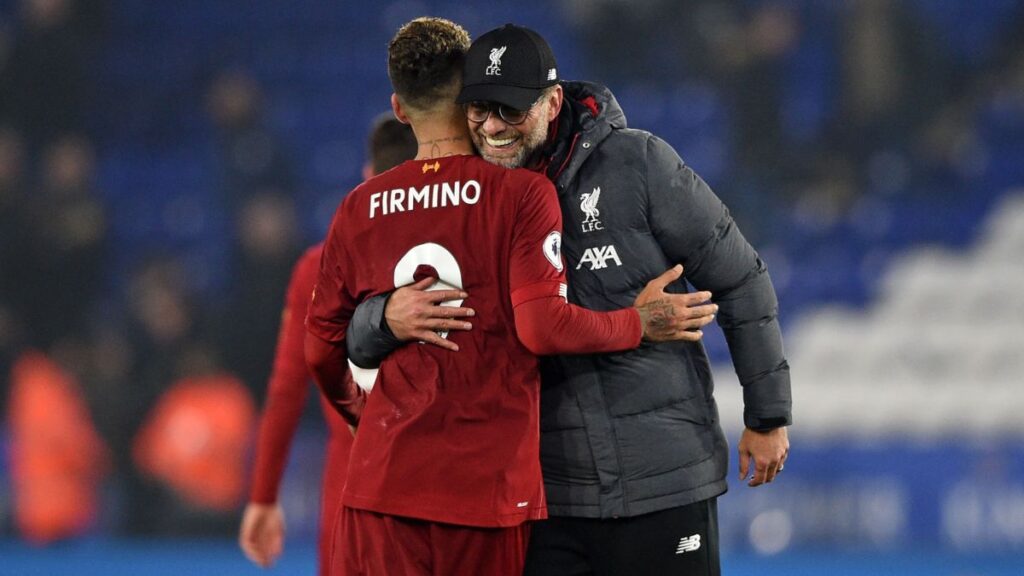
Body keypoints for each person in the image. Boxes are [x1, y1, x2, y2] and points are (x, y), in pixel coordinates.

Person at [347, 23, 792, 576]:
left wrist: (768, 416)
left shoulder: (638, 165)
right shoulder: (466, 192)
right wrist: (385, 316)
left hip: (661, 480)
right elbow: (350, 319)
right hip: (541, 497)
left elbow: (741, 277)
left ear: (552, 101)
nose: (492, 128)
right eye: (478, 110)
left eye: (510, 111)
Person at [238, 114, 418, 573]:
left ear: (366, 179)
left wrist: (263, 497)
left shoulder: (316, 267)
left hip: (349, 506)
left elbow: (286, 390)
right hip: (437, 498)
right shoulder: (462, 261)